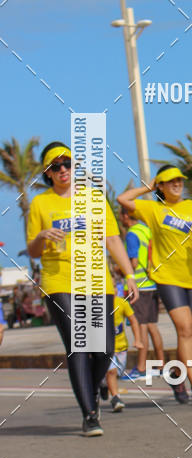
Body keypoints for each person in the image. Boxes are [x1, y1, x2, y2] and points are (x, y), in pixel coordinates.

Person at [27, 142, 139, 436]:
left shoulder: (94, 198)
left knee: (103, 349)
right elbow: (33, 251)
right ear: (47, 173)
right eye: (55, 166)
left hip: (97, 281)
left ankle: (93, 385)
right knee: (78, 346)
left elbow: (113, 240)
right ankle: (90, 414)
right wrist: (41, 235)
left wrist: (129, 275)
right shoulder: (41, 204)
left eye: (67, 163)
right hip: (59, 280)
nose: (63, 169)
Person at [118, 167, 192, 405]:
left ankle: (175, 373)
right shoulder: (154, 209)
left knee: (190, 335)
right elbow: (123, 199)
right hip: (167, 277)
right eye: (170, 181)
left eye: (179, 180)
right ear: (161, 185)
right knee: (184, 330)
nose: (177, 183)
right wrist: (148, 188)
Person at [121, 207, 165, 379]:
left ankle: (140, 368)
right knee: (152, 326)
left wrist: (120, 269)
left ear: (126, 216)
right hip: (153, 284)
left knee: (141, 327)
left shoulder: (132, 234)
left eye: (121, 216)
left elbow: (132, 262)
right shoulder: (146, 230)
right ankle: (161, 365)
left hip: (139, 286)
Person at [101, 288, 144, 411]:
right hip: (105, 348)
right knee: (112, 372)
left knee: (117, 373)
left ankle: (103, 385)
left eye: (113, 286)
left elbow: (134, 321)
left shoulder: (122, 303)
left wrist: (138, 339)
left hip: (121, 347)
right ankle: (116, 398)